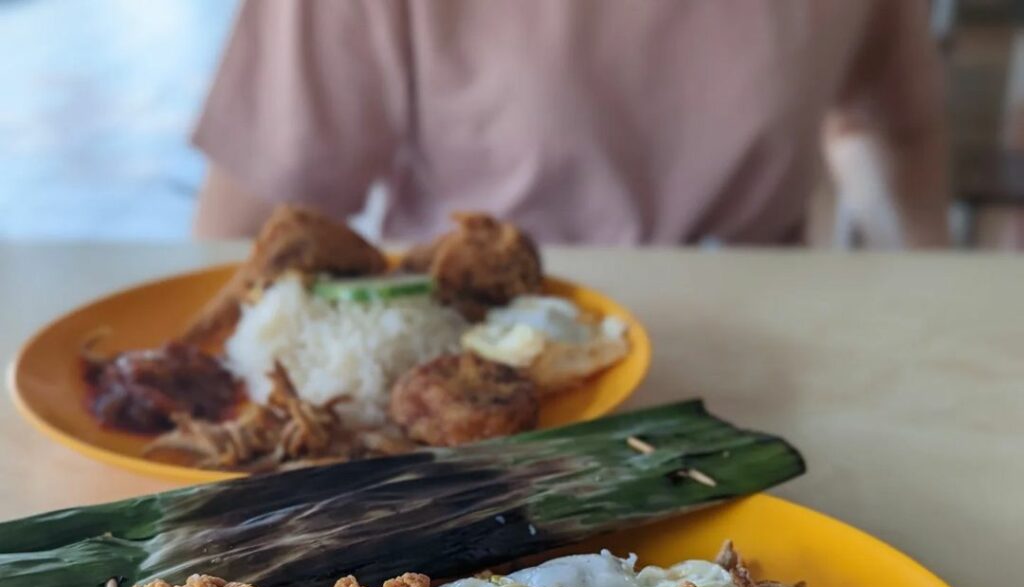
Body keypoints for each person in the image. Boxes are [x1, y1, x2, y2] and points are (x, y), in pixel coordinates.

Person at [192, 0, 948, 247]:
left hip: (770, 361)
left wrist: (923, 311)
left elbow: (892, 129)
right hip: (465, 356)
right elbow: (255, 220)